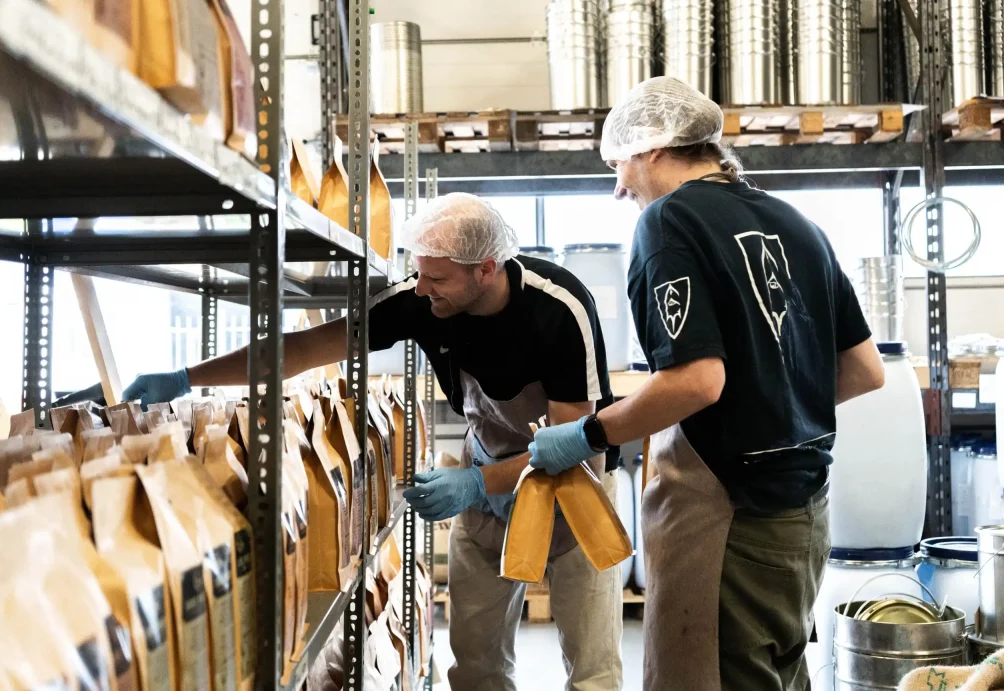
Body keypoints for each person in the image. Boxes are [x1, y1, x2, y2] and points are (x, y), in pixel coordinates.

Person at [123, 193, 624, 691]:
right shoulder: (423, 299)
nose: (421, 288)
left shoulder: (558, 309)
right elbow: (305, 348)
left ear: (485, 269)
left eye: (437, 277)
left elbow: (570, 446)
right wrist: (189, 376)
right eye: (420, 272)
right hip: (490, 487)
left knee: (592, 669)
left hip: (571, 497)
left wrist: (475, 483)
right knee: (476, 667)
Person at [527, 77, 886, 691]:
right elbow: (864, 372)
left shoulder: (669, 224)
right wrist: (775, 404)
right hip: (804, 516)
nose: (618, 188)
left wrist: (584, 435)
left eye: (619, 165)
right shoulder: (796, 222)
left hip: (727, 522)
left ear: (653, 150)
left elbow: (696, 381)